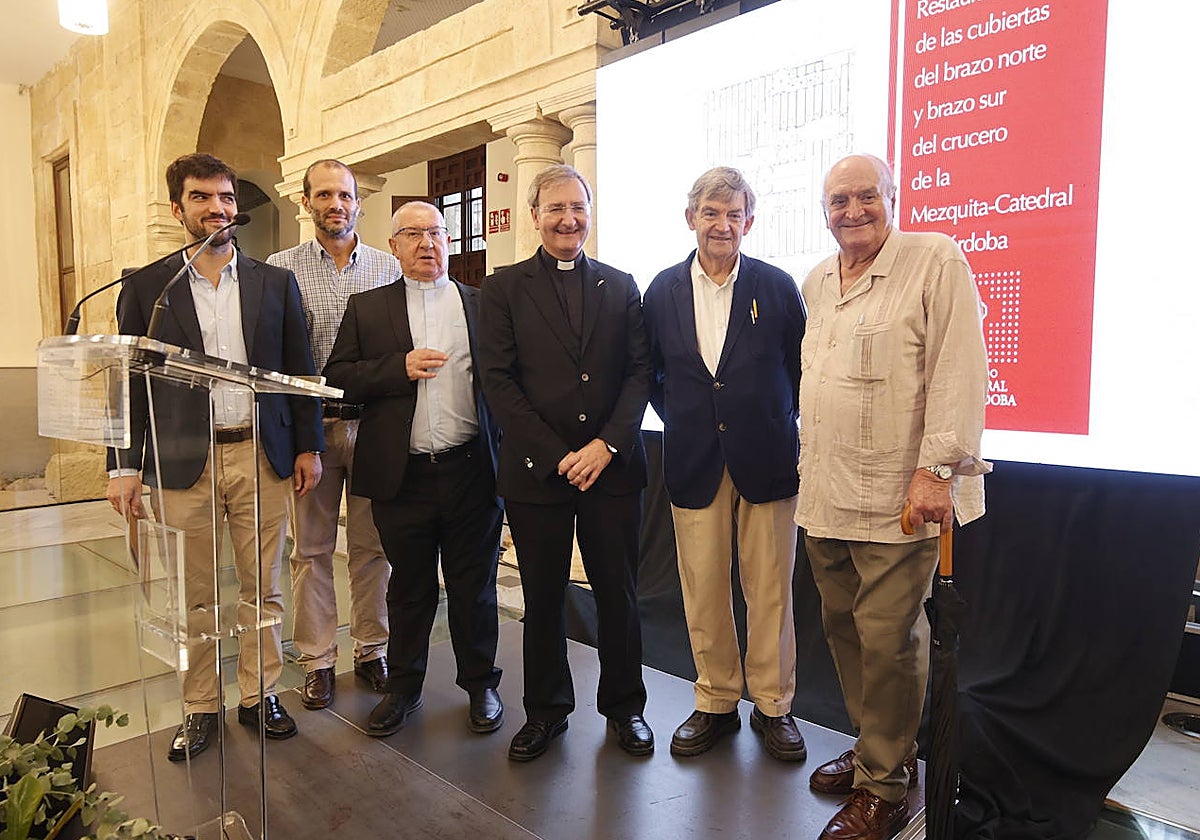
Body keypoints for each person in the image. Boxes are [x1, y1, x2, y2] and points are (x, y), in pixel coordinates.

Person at [106, 153, 324, 761]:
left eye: (226, 197)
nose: (217, 208)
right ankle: (201, 706)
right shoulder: (149, 287)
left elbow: (296, 371)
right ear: (178, 209)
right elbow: (127, 377)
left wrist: (308, 445)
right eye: (201, 197)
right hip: (183, 461)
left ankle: (260, 695)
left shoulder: (273, 283)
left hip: (262, 454)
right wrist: (123, 465)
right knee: (194, 593)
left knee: (265, 586)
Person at [797, 153, 989, 840]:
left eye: (864, 197)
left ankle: (885, 788)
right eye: (837, 201)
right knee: (845, 633)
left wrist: (939, 470)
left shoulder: (936, 259)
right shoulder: (817, 279)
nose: (851, 211)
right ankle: (882, 745)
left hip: (896, 500)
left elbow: (960, 368)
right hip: (824, 493)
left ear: (893, 197)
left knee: (888, 644)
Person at [478, 164, 653, 761]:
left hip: (611, 471)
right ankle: (547, 711)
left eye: (578, 207)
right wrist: (559, 456)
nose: (568, 219)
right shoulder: (503, 288)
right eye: (555, 208)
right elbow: (498, 383)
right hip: (537, 473)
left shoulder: (621, 285)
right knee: (544, 595)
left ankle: (626, 709)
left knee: (617, 596)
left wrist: (604, 445)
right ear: (534, 215)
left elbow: (639, 373)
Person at [642, 167, 806, 762]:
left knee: (771, 591)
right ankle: (715, 699)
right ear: (691, 219)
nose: (722, 224)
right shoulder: (660, 291)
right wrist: (689, 417)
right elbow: (655, 374)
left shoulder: (779, 286)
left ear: (749, 222)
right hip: (694, 459)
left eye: (733, 214)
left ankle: (774, 705)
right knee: (704, 587)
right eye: (711, 213)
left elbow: (798, 366)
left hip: (766, 459)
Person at [323, 201, 504, 737]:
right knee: (409, 588)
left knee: (475, 586)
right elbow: (338, 376)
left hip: (473, 470)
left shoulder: (482, 305)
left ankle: (480, 686)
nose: (427, 243)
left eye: (436, 233)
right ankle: (403, 688)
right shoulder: (368, 308)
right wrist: (395, 369)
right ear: (394, 244)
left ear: (447, 240)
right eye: (413, 234)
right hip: (402, 476)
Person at [266, 159, 396, 710]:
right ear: (306, 202)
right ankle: (318, 659)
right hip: (311, 430)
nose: (335, 204)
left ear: (358, 202)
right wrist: (298, 439)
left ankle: (372, 648)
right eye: (323, 194)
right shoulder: (280, 269)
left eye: (344, 194)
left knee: (373, 547)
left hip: (374, 427)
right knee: (312, 549)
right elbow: (277, 357)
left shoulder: (388, 268)